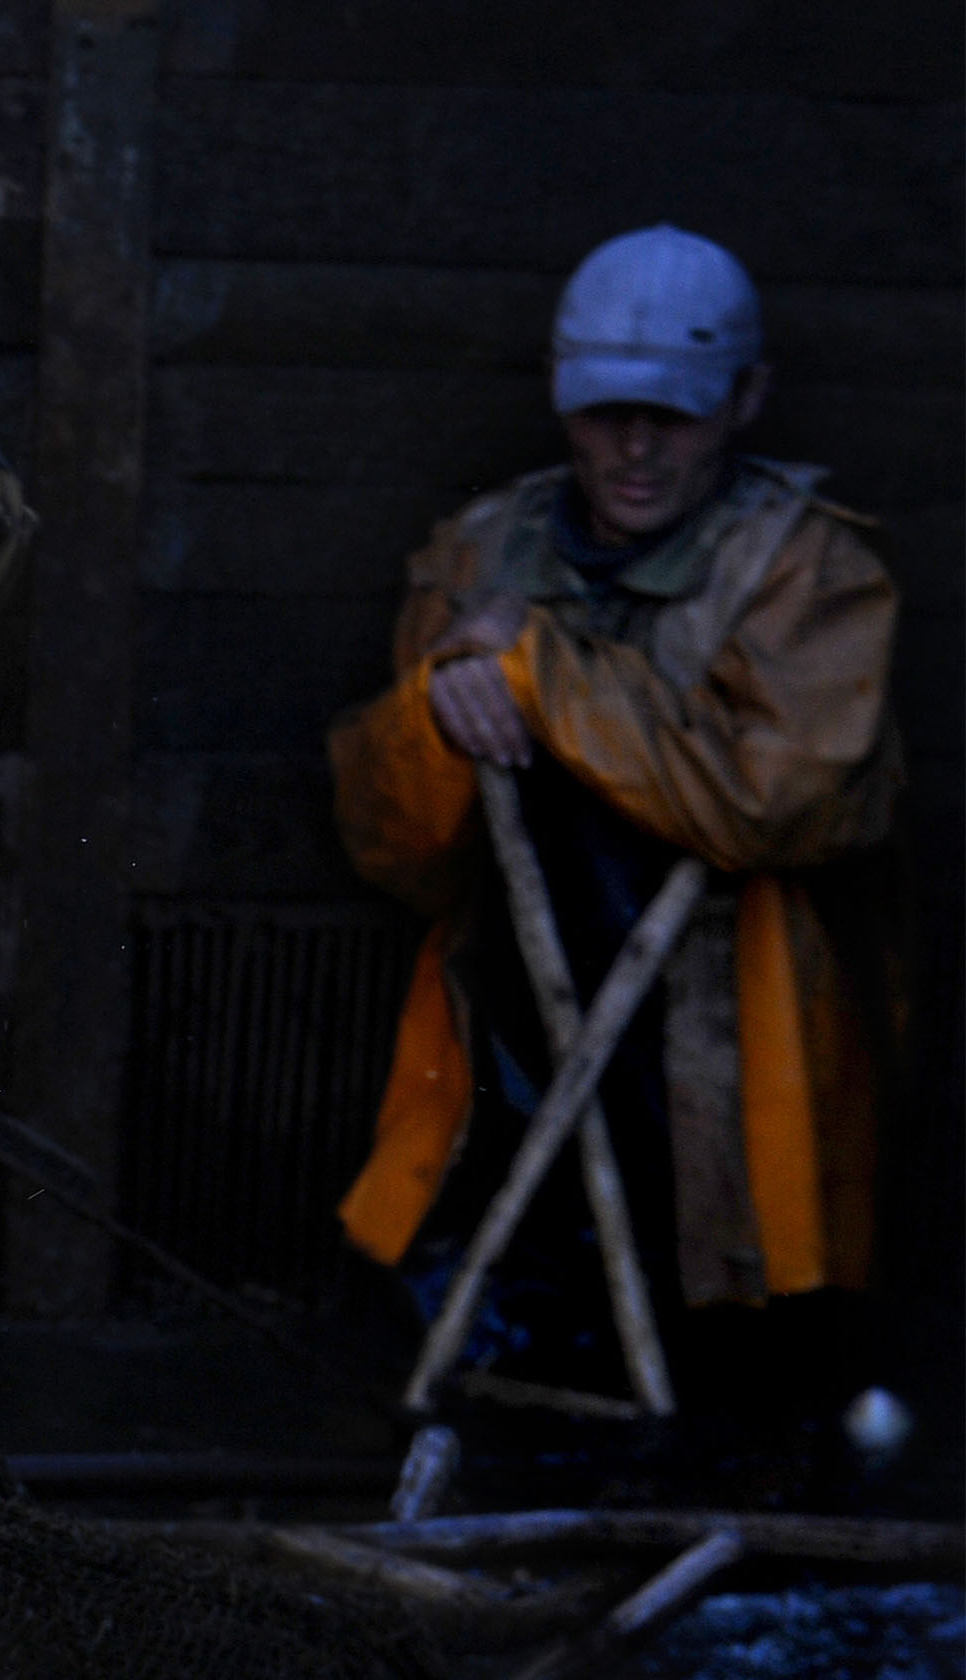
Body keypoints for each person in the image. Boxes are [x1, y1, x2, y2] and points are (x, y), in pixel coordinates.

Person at [326, 225, 904, 1503]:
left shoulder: (811, 570)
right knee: (480, 1304)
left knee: (745, 1361)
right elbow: (391, 838)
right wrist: (439, 701)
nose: (635, 448)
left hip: (724, 1027)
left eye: (673, 416)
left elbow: (775, 797)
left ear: (742, 402)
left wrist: (533, 673)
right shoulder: (479, 552)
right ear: (563, 401)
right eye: (607, 414)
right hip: (519, 1022)